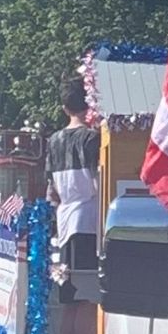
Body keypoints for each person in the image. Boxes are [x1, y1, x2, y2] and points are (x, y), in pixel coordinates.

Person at [47, 73, 101, 277]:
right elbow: (98, 181)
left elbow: (51, 191)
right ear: (89, 105)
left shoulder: (53, 140)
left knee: (69, 291)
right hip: (88, 221)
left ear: (65, 109)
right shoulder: (92, 138)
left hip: (64, 221)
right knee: (88, 294)